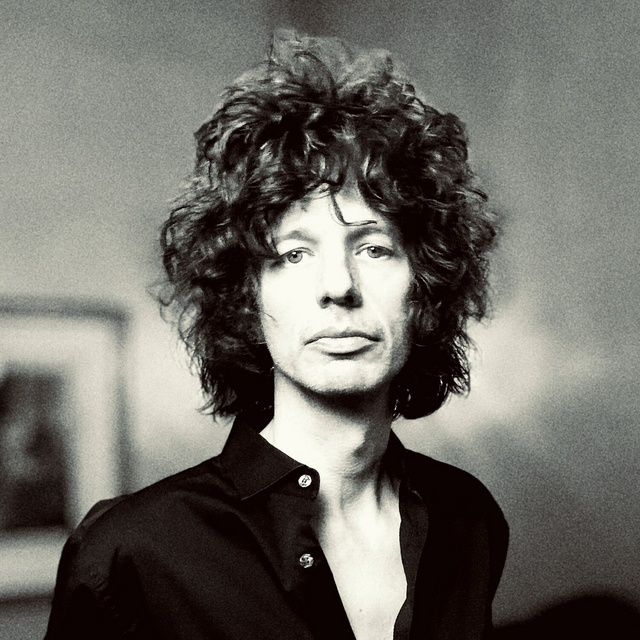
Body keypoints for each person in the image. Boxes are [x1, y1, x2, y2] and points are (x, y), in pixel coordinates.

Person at [45, 32, 508, 640]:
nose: (338, 286)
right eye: (293, 254)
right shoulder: (133, 555)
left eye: (374, 248)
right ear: (246, 297)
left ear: (426, 284)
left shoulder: (468, 520)